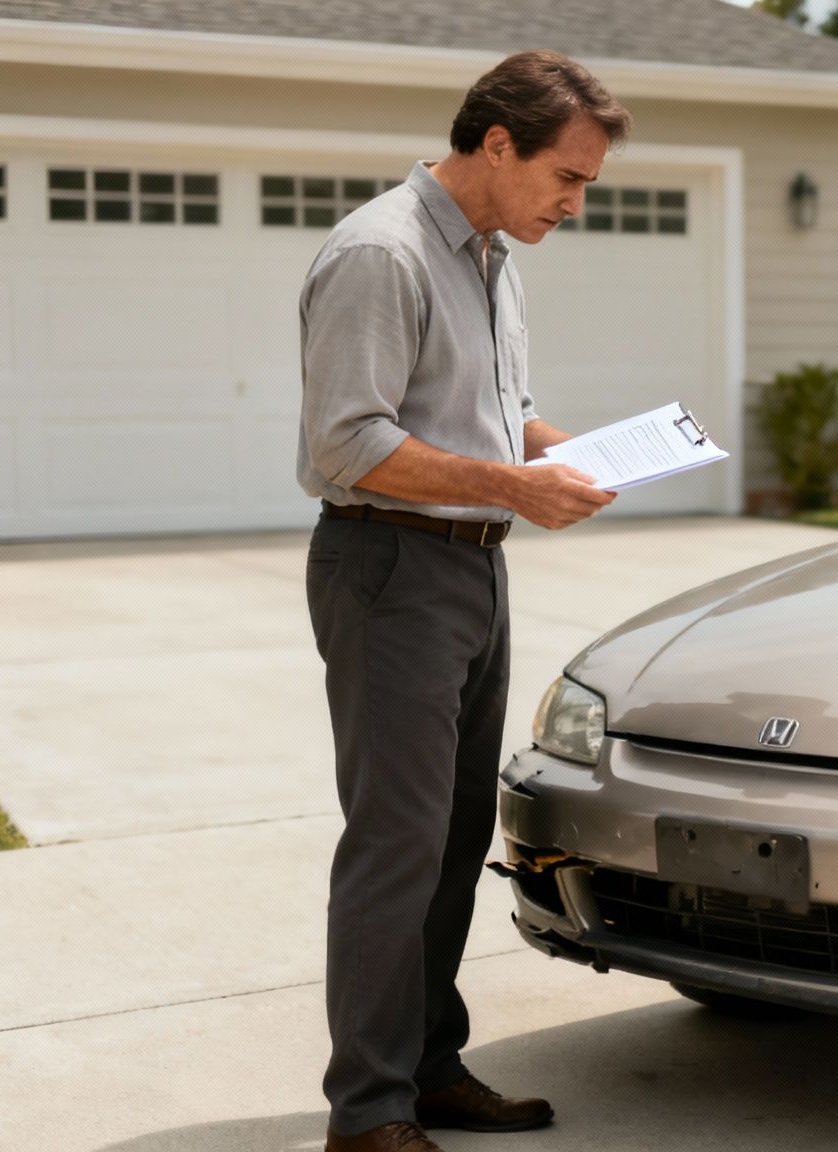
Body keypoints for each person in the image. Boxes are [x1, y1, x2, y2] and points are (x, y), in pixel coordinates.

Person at [295, 49, 630, 1152]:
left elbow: (494, 410)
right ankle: (367, 1114)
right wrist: (512, 484)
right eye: (567, 178)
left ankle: (428, 1068)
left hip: (471, 566)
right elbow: (349, 442)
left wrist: (562, 453)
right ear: (496, 144)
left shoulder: (492, 255)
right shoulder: (379, 254)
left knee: (449, 836)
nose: (575, 204)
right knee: (395, 841)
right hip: (389, 567)